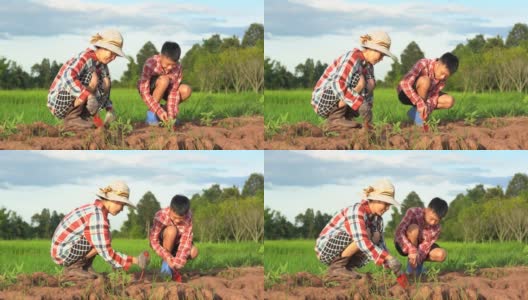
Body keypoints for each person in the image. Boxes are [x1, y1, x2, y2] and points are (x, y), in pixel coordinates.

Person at [50, 180, 149, 280]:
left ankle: (85, 266)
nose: (122, 209)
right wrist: (135, 260)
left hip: (65, 249)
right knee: (102, 238)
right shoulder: (98, 217)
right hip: (63, 254)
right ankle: (73, 268)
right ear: (114, 200)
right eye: (122, 205)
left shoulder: (95, 210)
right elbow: (106, 252)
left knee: (106, 235)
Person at [315, 179, 402, 280]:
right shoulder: (356, 211)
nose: (387, 208)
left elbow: (381, 246)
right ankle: (337, 268)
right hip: (326, 250)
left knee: (376, 235)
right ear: (374, 200)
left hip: (343, 248)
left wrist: (392, 267)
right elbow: (361, 240)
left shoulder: (377, 219)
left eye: (389, 205)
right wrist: (388, 257)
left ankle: (347, 269)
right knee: (367, 233)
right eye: (385, 204)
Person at [311, 31, 396, 130]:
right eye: (381, 54)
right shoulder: (353, 58)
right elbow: (337, 83)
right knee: (358, 79)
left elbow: (368, 92)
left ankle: (346, 118)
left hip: (340, 100)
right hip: (323, 102)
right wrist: (360, 103)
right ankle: (335, 119)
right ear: (371, 49)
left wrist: (367, 114)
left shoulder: (369, 66)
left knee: (370, 82)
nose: (381, 59)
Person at [47, 29, 125, 130]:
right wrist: (88, 95)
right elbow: (67, 77)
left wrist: (110, 110)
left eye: (116, 56)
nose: (113, 58)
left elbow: (106, 89)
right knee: (92, 76)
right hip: (60, 102)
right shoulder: (85, 58)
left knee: (106, 81)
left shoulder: (102, 66)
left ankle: (84, 117)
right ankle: (72, 119)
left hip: (79, 100)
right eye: (111, 53)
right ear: (102, 47)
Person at [138, 41, 192, 128]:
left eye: (173, 65)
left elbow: (173, 92)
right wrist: (158, 110)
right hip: (150, 89)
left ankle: (166, 116)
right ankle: (152, 114)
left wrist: (171, 115)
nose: (170, 68)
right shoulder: (150, 63)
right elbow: (144, 92)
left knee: (186, 90)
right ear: (161, 56)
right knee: (164, 80)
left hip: (168, 89)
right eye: (167, 64)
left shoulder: (178, 68)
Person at [397, 53, 459, 127]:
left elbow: (433, 96)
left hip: (425, 96)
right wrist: (419, 103)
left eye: (446, 76)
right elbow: (404, 83)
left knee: (449, 101)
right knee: (425, 81)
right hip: (405, 93)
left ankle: (416, 115)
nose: (443, 77)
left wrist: (426, 109)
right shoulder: (423, 63)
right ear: (438, 63)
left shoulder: (442, 78)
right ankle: (419, 121)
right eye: (442, 73)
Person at [149, 195, 198, 282]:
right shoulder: (160, 215)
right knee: (172, 230)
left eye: (180, 219)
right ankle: (165, 267)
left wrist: (178, 262)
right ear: (170, 209)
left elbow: (186, 241)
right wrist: (167, 257)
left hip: (178, 243)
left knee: (194, 252)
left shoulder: (188, 217)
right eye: (174, 217)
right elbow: (153, 241)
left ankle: (174, 269)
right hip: (164, 242)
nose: (177, 221)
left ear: (186, 214)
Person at [394, 197, 448, 276]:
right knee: (414, 229)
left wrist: (417, 259)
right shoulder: (413, 212)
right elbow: (399, 232)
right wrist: (412, 250)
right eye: (431, 219)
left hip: (421, 249)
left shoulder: (437, 228)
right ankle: (411, 269)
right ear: (426, 210)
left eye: (436, 221)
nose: (433, 223)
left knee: (441, 254)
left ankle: (417, 268)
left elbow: (425, 246)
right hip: (403, 243)